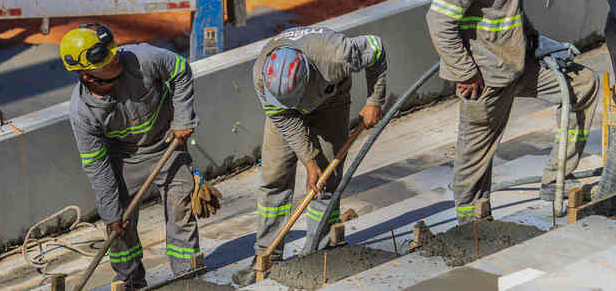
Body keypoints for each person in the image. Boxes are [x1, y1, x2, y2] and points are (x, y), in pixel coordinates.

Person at [425, 0, 599, 223]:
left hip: (517, 64)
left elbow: (507, 8)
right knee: (475, 158)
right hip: (486, 78)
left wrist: (537, 42)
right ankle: (470, 227)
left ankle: (556, 179)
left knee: (583, 85)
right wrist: (465, 71)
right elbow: (438, 18)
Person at [233, 26, 387, 285]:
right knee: (274, 178)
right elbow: (283, 117)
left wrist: (375, 100)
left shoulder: (337, 56)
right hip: (284, 116)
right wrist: (308, 159)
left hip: (330, 102)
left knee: (326, 179)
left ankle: (318, 252)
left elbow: (377, 47)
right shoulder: (262, 74)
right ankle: (266, 257)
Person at [60, 23, 200, 289]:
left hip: (167, 146)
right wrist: (112, 213)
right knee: (119, 229)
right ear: (87, 75)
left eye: (113, 53)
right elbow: (97, 166)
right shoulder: (83, 113)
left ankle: (188, 280)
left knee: (180, 208)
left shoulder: (142, 58)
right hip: (124, 160)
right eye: (107, 60)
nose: (116, 59)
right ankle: (129, 281)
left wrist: (182, 118)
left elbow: (180, 71)